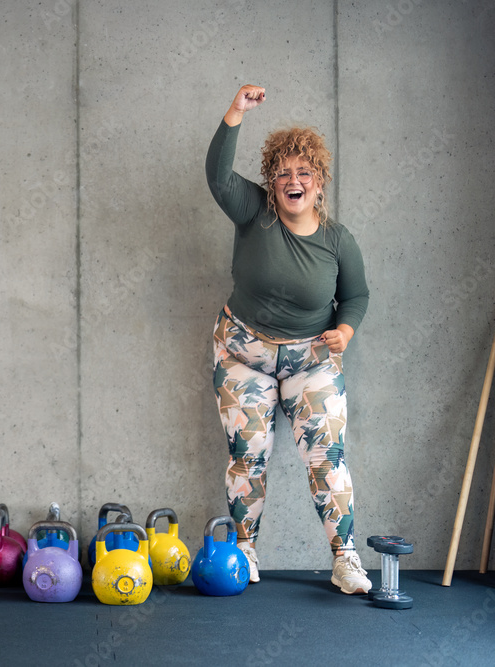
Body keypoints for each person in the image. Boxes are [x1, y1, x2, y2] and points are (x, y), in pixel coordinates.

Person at [205, 84, 372, 594]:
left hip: (312, 363)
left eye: (304, 172)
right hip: (243, 356)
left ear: (318, 182)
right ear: (271, 182)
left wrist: (344, 331)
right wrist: (236, 112)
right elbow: (216, 175)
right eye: (283, 172)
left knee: (327, 456)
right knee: (248, 454)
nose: (292, 180)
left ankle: (345, 558)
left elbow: (357, 296)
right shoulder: (254, 211)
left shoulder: (338, 240)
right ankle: (244, 552)